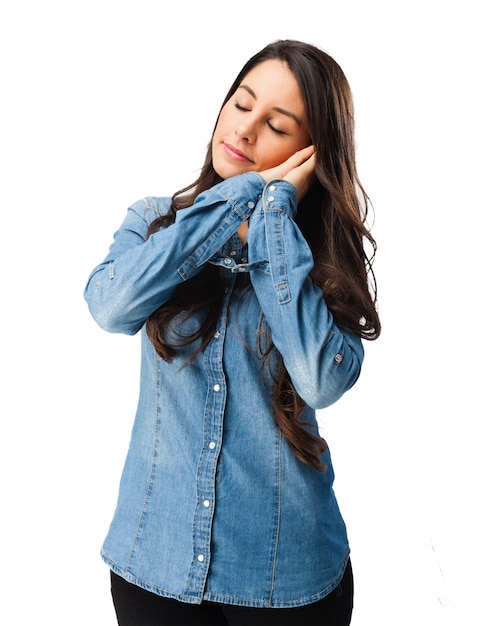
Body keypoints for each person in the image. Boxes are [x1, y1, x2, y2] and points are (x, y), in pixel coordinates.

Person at [84, 39, 381, 626]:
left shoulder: (321, 260)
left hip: (286, 578)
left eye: (275, 124)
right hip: (155, 566)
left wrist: (271, 218)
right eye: (241, 105)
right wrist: (239, 195)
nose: (244, 131)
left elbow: (321, 380)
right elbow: (110, 307)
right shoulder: (154, 221)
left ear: (311, 155)